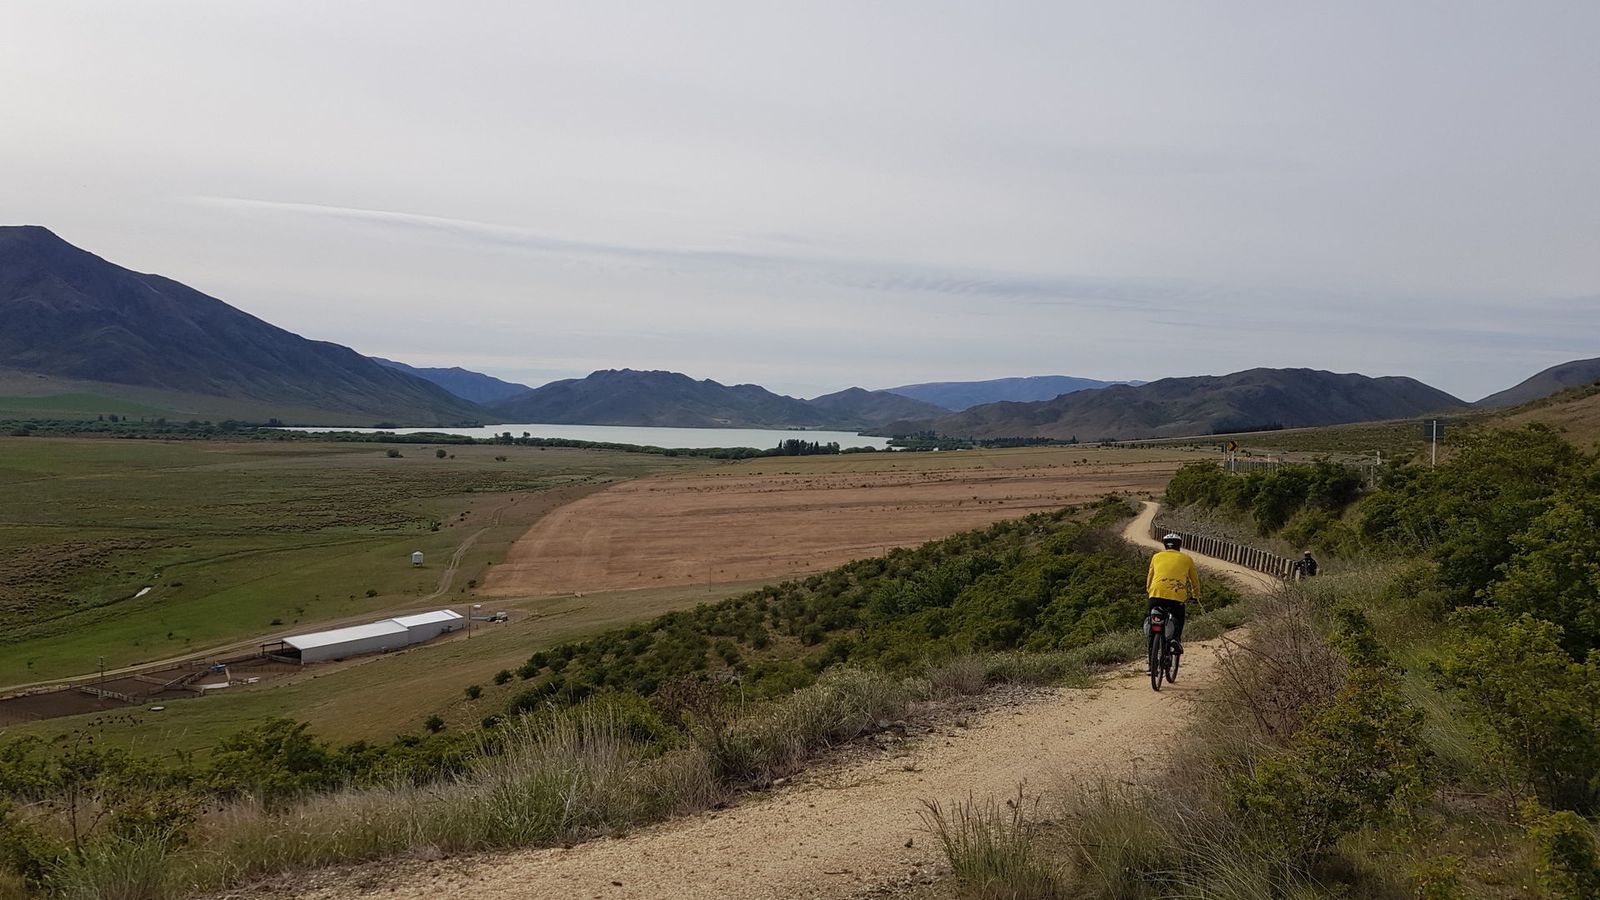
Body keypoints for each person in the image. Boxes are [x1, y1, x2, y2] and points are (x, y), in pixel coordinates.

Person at [1147, 533, 1200, 656]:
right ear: (1179, 545)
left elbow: (1150, 576)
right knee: (1178, 618)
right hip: (1176, 596)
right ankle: (1175, 639)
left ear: (1165, 545)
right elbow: (1194, 581)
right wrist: (1195, 596)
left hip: (1155, 594)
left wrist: (1149, 591)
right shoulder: (1187, 559)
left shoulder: (1156, 557)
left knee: (1151, 620)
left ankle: (1150, 653)